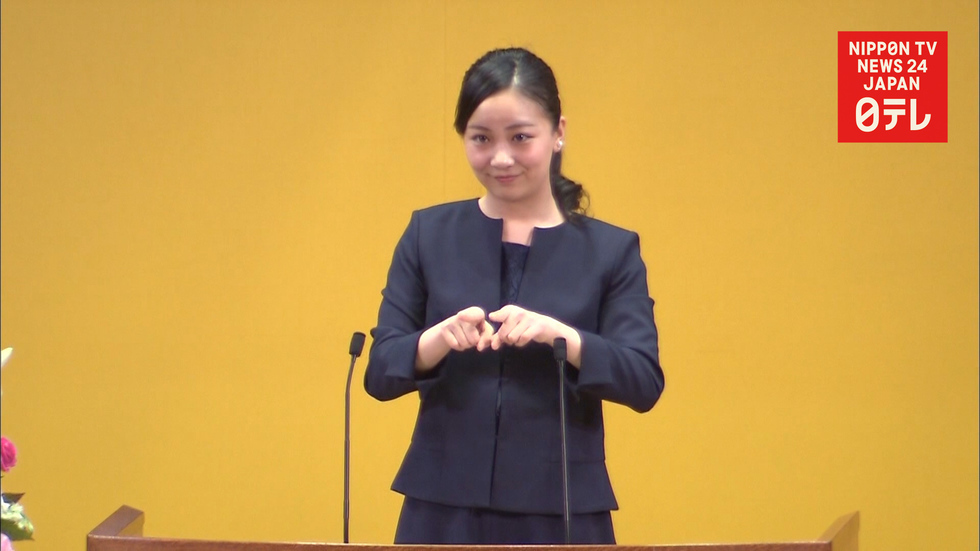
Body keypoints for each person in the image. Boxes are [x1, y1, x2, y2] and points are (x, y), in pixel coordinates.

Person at [364, 47, 664, 544]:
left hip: (562, 507)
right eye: (481, 139)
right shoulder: (427, 234)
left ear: (558, 132)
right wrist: (435, 340)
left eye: (521, 137)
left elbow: (644, 381)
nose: (500, 158)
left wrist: (564, 337)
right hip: (441, 507)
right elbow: (380, 372)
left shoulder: (611, 249)